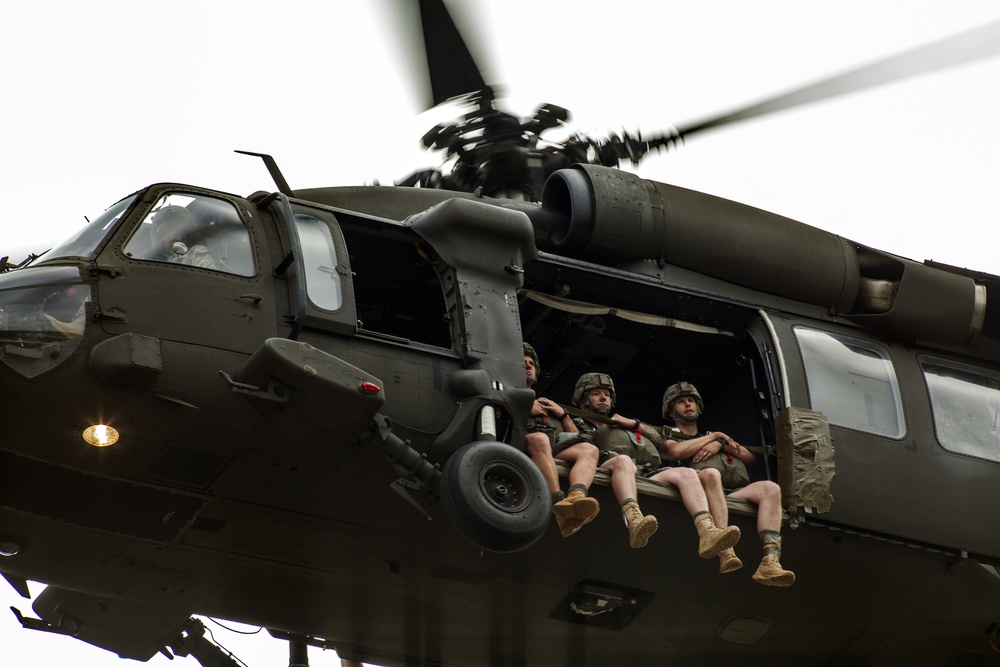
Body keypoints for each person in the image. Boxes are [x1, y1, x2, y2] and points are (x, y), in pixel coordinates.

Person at [571, 372, 739, 555]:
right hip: (604, 469)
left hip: (643, 473)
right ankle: (633, 520)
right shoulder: (577, 423)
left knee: (686, 473)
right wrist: (564, 417)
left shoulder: (621, 425)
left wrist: (634, 424)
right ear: (583, 399)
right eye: (596, 393)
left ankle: (708, 531)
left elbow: (663, 445)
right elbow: (573, 445)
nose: (604, 398)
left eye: (608, 394)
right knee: (623, 461)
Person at [660, 381, 795, 587]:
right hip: (697, 497)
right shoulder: (667, 434)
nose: (688, 405)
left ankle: (770, 560)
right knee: (711, 473)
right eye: (680, 402)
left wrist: (720, 444)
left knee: (771, 488)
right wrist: (715, 438)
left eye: (691, 401)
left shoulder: (713, 437)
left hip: (729, 494)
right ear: (671, 411)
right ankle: (724, 549)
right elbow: (676, 452)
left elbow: (749, 457)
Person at [523, 343, 601, 538]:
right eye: (522, 362)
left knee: (589, 450)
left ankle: (576, 497)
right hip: (517, 444)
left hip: (549, 449)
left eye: (531, 363)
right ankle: (558, 502)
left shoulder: (546, 405)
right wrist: (522, 407)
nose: (528, 365)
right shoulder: (502, 392)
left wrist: (564, 415)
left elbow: (575, 437)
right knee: (540, 438)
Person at [149, 205, 218, 269]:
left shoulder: (195, 252)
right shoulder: (154, 266)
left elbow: (211, 280)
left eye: (178, 229)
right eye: (167, 232)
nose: (173, 234)